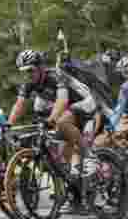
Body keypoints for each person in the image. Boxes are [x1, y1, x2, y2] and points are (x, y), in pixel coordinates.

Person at [7, 49, 99, 181]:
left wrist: (51, 119)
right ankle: (73, 181)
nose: (28, 75)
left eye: (30, 70)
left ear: (40, 68)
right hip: (68, 108)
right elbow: (19, 105)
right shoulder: (28, 84)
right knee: (59, 148)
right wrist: (8, 124)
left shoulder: (56, 75)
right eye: (24, 71)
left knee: (61, 123)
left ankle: (90, 157)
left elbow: (62, 100)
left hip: (83, 102)